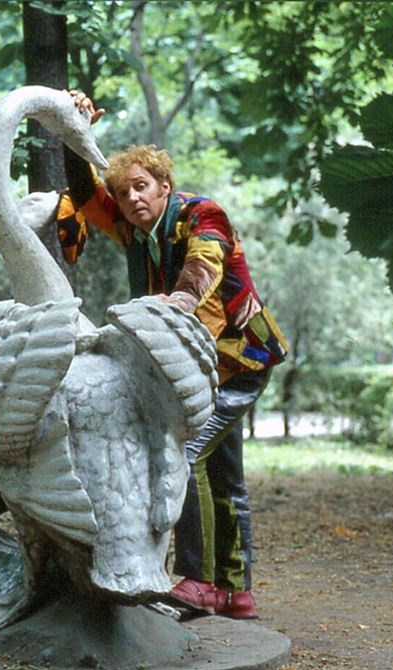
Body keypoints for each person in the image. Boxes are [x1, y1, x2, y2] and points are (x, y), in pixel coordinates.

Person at [60, 92, 287, 620]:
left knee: (186, 455)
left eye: (141, 186)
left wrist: (178, 302)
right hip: (196, 366)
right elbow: (86, 196)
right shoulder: (133, 228)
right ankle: (236, 591)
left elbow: (206, 262)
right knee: (225, 474)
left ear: (164, 185)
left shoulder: (203, 213)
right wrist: (74, 131)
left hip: (239, 359)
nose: (131, 198)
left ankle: (198, 581)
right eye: (123, 192)